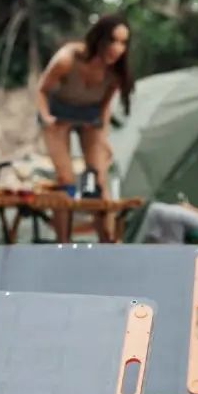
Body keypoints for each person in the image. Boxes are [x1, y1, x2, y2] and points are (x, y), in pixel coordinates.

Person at [36, 14, 134, 243]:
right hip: (58, 114)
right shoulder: (67, 59)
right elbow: (42, 89)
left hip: (90, 116)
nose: (117, 49)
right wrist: (47, 117)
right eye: (113, 41)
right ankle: (63, 242)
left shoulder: (116, 73)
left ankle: (107, 243)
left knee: (98, 180)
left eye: (123, 43)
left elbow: (105, 108)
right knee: (66, 180)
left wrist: (103, 140)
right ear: (99, 39)